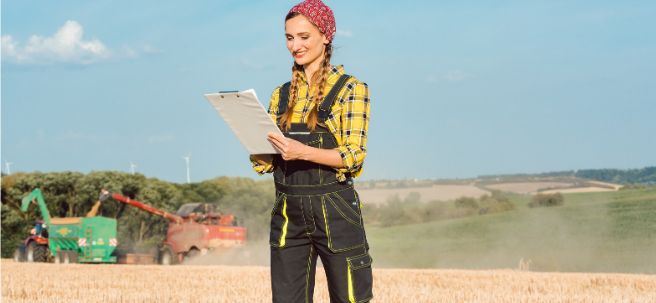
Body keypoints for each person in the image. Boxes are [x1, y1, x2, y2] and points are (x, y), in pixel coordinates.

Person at [250, 1, 373, 302]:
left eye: (304, 37)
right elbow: (265, 164)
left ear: (325, 36)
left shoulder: (351, 89)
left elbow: (353, 156)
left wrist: (301, 151)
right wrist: (256, 146)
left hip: (335, 209)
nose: (295, 45)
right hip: (287, 210)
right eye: (289, 38)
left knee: (350, 298)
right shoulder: (279, 95)